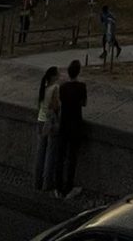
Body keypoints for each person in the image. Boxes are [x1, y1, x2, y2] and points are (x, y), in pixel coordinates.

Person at [53, 58, 88, 196]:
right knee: (71, 157)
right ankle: (68, 187)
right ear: (78, 72)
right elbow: (84, 103)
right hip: (75, 124)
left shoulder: (63, 87)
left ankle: (57, 186)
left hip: (64, 123)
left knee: (60, 156)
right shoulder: (82, 87)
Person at [33, 65, 60, 190]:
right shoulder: (55, 88)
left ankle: (37, 181)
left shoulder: (43, 87)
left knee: (40, 152)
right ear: (54, 76)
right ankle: (47, 183)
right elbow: (54, 106)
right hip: (49, 123)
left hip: (40, 120)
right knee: (50, 153)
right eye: (58, 73)